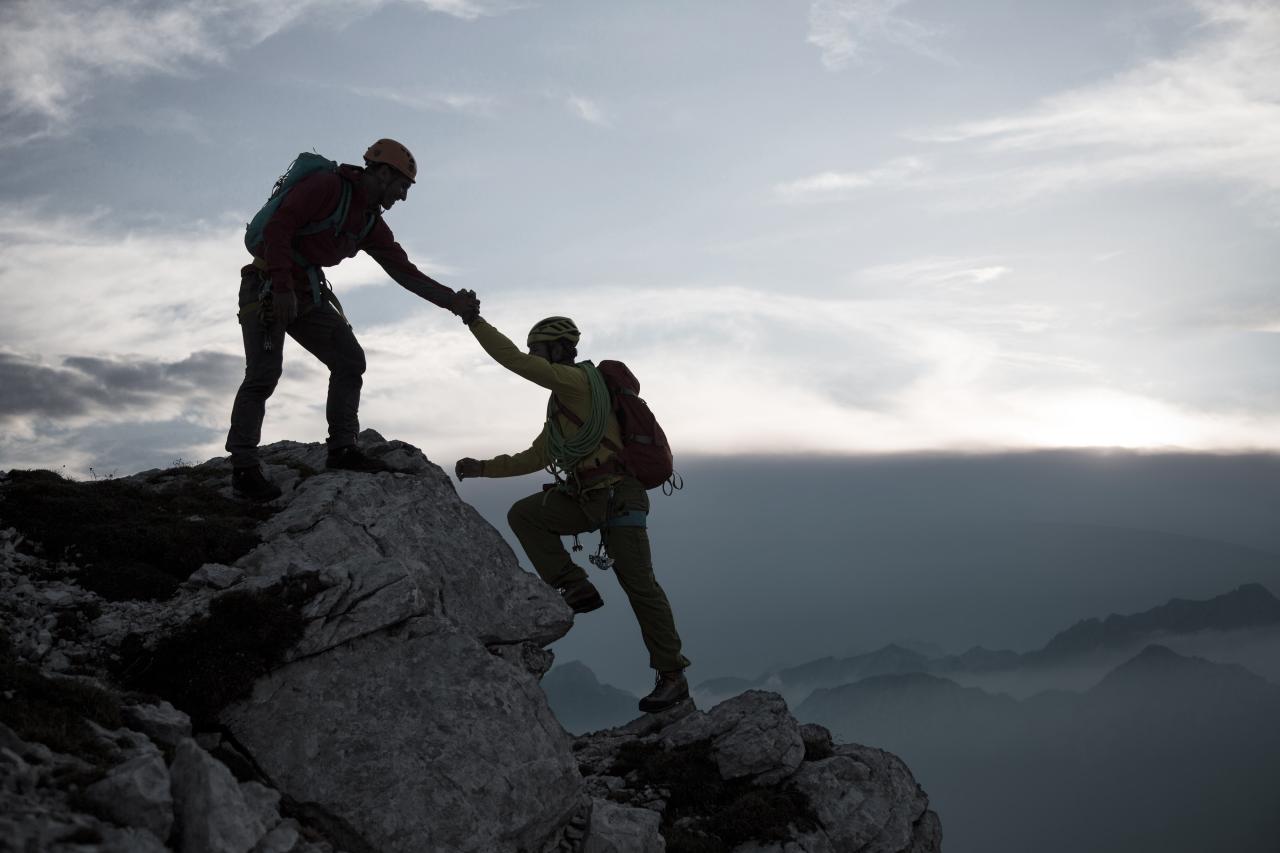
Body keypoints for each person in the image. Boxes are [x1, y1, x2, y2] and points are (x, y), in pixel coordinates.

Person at [454, 315, 691, 713]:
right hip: (586, 495)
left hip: (619, 496)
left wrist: (473, 321)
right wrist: (484, 468)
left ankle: (672, 675)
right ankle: (575, 585)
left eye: (539, 351)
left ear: (557, 349)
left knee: (640, 587)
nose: (534, 357)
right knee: (525, 514)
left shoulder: (578, 383)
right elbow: (538, 455)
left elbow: (513, 360)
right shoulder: (562, 408)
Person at [227, 138, 478, 500]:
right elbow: (278, 227)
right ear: (381, 173)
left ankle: (343, 450)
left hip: (305, 295)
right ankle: (244, 467)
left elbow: (404, 271)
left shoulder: (369, 222)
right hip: (267, 285)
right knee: (263, 373)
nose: (403, 197)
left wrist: (453, 302)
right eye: (402, 186)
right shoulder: (327, 187)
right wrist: (281, 287)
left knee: (349, 360)